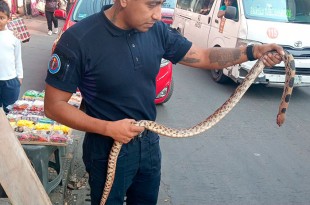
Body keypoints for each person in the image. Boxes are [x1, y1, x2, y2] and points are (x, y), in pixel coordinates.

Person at [44, 0, 284, 204]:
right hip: (106, 148)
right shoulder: (78, 40)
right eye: (151, 4)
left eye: (161, 3)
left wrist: (253, 51)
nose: (159, 13)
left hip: (148, 145)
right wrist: (108, 128)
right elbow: (54, 106)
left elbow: (203, 56)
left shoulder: (156, 31)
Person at [0, 0, 23, 114]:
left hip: (11, 80)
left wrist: (20, 76)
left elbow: (18, 57)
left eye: (1, 18)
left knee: (10, 112)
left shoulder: (13, 36)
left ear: (8, 19)